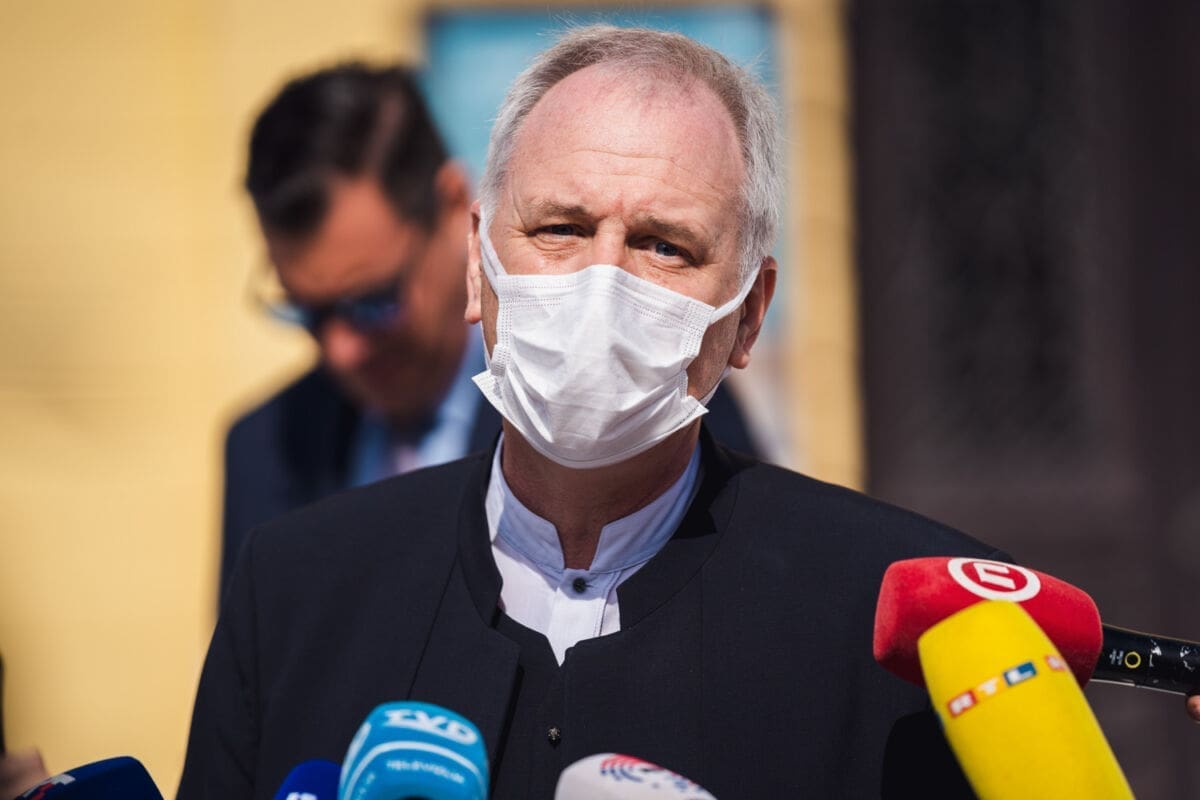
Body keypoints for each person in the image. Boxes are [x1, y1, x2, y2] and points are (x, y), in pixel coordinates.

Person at [182, 27, 1024, 797]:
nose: (601, 286)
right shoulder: (291, 592)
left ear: (748, 313)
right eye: (560, 227)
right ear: (478, 263)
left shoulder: (908, 636)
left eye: (665, 245)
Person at [222, 63, 761, 600]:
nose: (342, 350)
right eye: (310, 312)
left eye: (374, 302)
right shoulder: (264, 448)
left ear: (457, 212)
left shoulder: (652, 399)